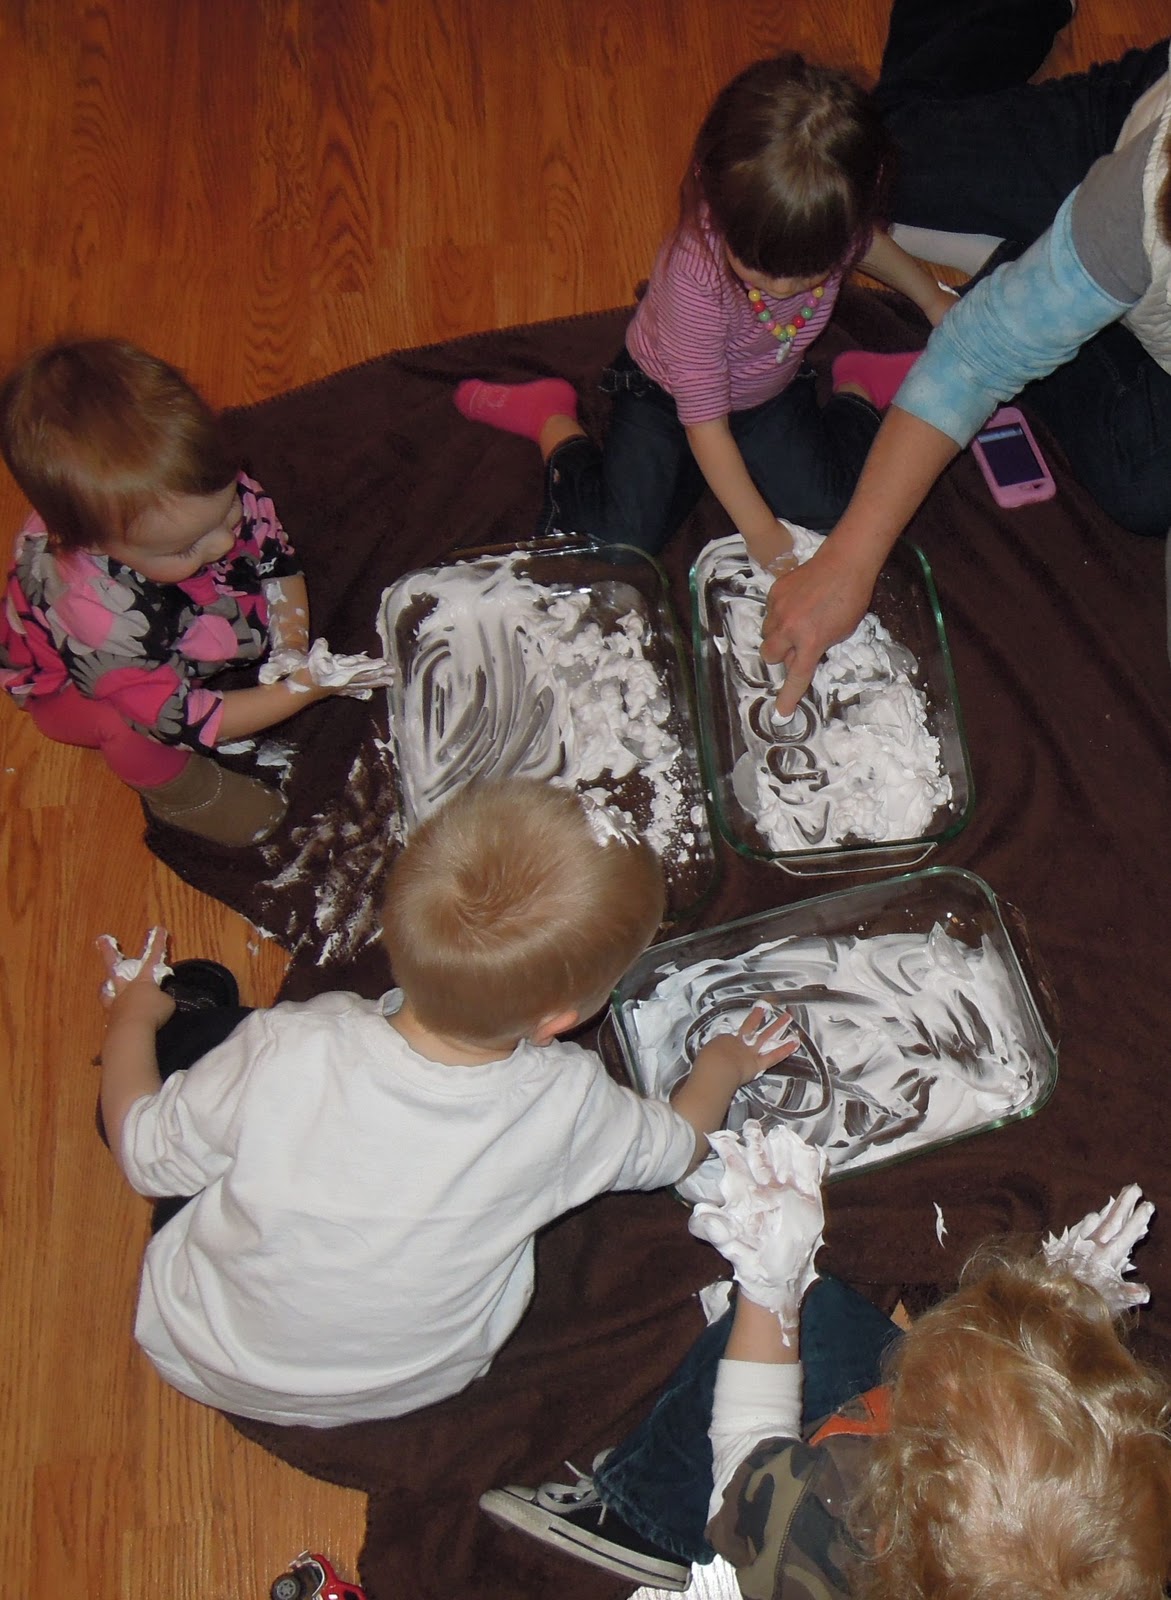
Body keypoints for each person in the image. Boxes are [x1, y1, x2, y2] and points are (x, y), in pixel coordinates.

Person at [94, 778, 801, 1428]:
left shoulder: (288, 1045)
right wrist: (721, 1066)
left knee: (197, 1046)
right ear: (557, 1020)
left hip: (198, 1342)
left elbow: (148, 1160)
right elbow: (680, 1146)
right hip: (408, 1379)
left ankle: (172, 1018)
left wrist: (132, 1019)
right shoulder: (569, 1104)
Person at [481, 1124, 1171, 1598]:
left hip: (772, 1520)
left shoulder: (815, 1537)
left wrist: (769, 1285)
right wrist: (1068, 1317)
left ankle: (642, 1517)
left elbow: (743, 1446)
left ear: (890, 1485)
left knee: (809, 1316)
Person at [763, 2, 1171, 716]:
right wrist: (848, 560)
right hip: (1131, 128)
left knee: (1143, 488)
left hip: (1116, 256)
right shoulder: (1137, 197)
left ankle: (1034, 273)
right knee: (867, 166)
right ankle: (1046, 273)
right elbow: (975, 356)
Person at [453, 54, 955, 571]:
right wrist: (758, 528)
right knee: (617, 543)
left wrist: (933, 297)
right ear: (713, 197)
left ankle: (857, 385)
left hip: (768, 389)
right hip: (666, 397)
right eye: (761, 268)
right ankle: (551, 419)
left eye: (812, 270)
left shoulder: (830, 223)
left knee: (836, 508)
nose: (785, 286)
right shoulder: (695, 276)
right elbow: (705, 427)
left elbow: (867, 244)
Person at [0, 338, 344, 846]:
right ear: (97, 544)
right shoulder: (101, 621)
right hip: (80, 686)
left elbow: (274, 559)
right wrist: (296, 692)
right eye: (187, 546)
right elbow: (185, 720)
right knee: (124, 730)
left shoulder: (191, 504)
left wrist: (290, 641)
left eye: (228, 510)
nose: (227, 539)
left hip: (173, 613)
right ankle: (183, 794)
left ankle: (196, 611)